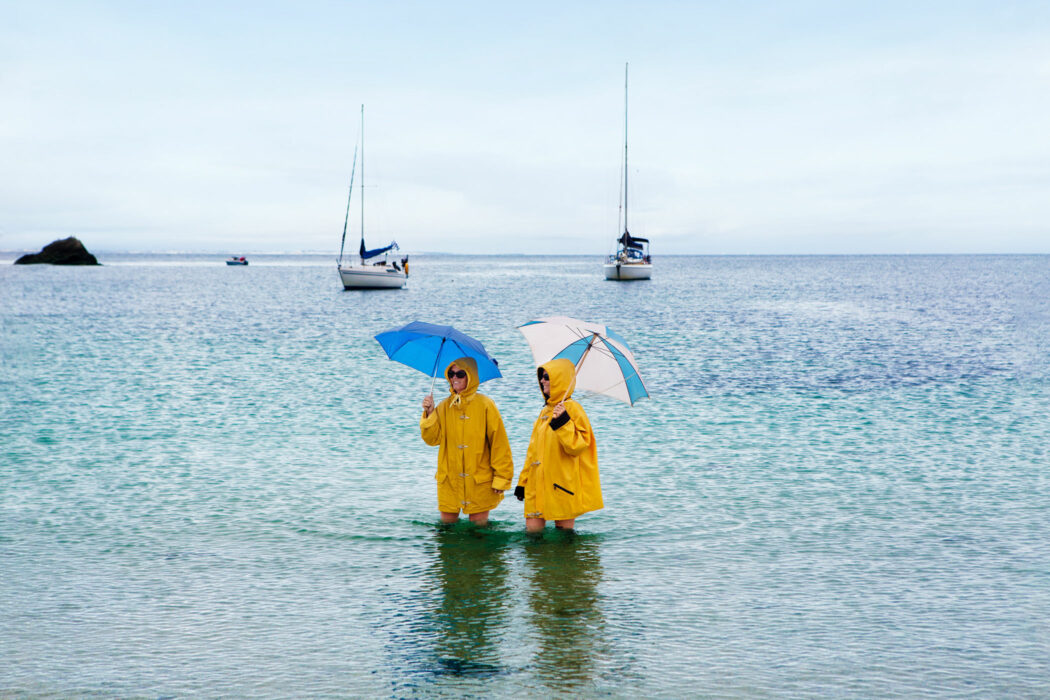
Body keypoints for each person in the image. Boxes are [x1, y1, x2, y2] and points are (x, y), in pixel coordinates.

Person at [421, 357, 514, 525]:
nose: (454, 378)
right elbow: (432, 440)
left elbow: (499, 444)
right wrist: (430, 413)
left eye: (460, 374)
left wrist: (502, 478)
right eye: (451, 373)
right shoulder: (443, 406)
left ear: (470, 376)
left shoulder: (486, 405)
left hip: (479, 480)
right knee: (446, 533)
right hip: (449, 479)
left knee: (479, 534)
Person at [515, 358, 602, 533]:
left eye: (546, 377)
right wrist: (523, 482)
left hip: (562, 484)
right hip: (536, 484)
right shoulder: (545, 410)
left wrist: (563, 422)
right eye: (541, 377)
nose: (542, 381)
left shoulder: (574, 409)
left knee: (564, 540)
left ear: (559, 380)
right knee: (532, 537)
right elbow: (532, 451)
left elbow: (578, 446)